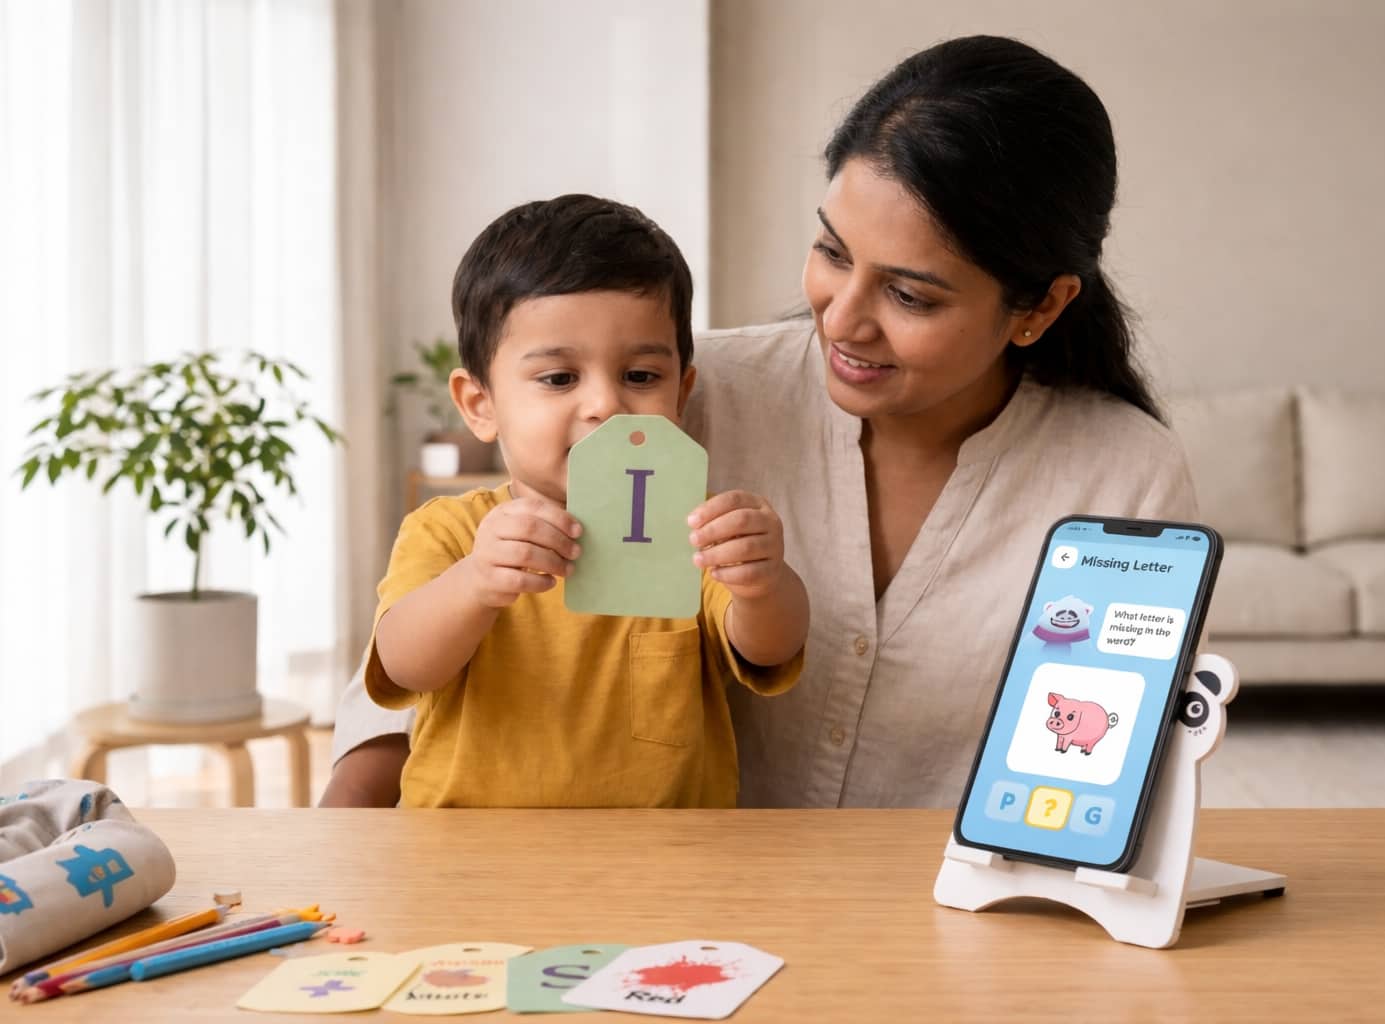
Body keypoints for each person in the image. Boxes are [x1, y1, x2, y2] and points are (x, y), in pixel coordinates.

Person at [321, 35, 1196, 809]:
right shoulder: (664, 401)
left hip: (947, 910)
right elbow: (412, 662)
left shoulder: (1123, 475)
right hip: (695, 912)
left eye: (908, 293)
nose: (841, 319)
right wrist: (356, 831)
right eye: (831, 252)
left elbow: (1103, 762)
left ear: (1040, 307)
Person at [363, 194, 807, 808]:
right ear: (479, 405)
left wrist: (764, 581)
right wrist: (474, 583)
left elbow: (769, 648)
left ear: (681, 394)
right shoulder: (451, 528)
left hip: (665, 864)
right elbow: (404, 666)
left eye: (641, 377)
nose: (605, 405)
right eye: (559, 379)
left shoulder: (690, 524)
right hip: (469, 866)